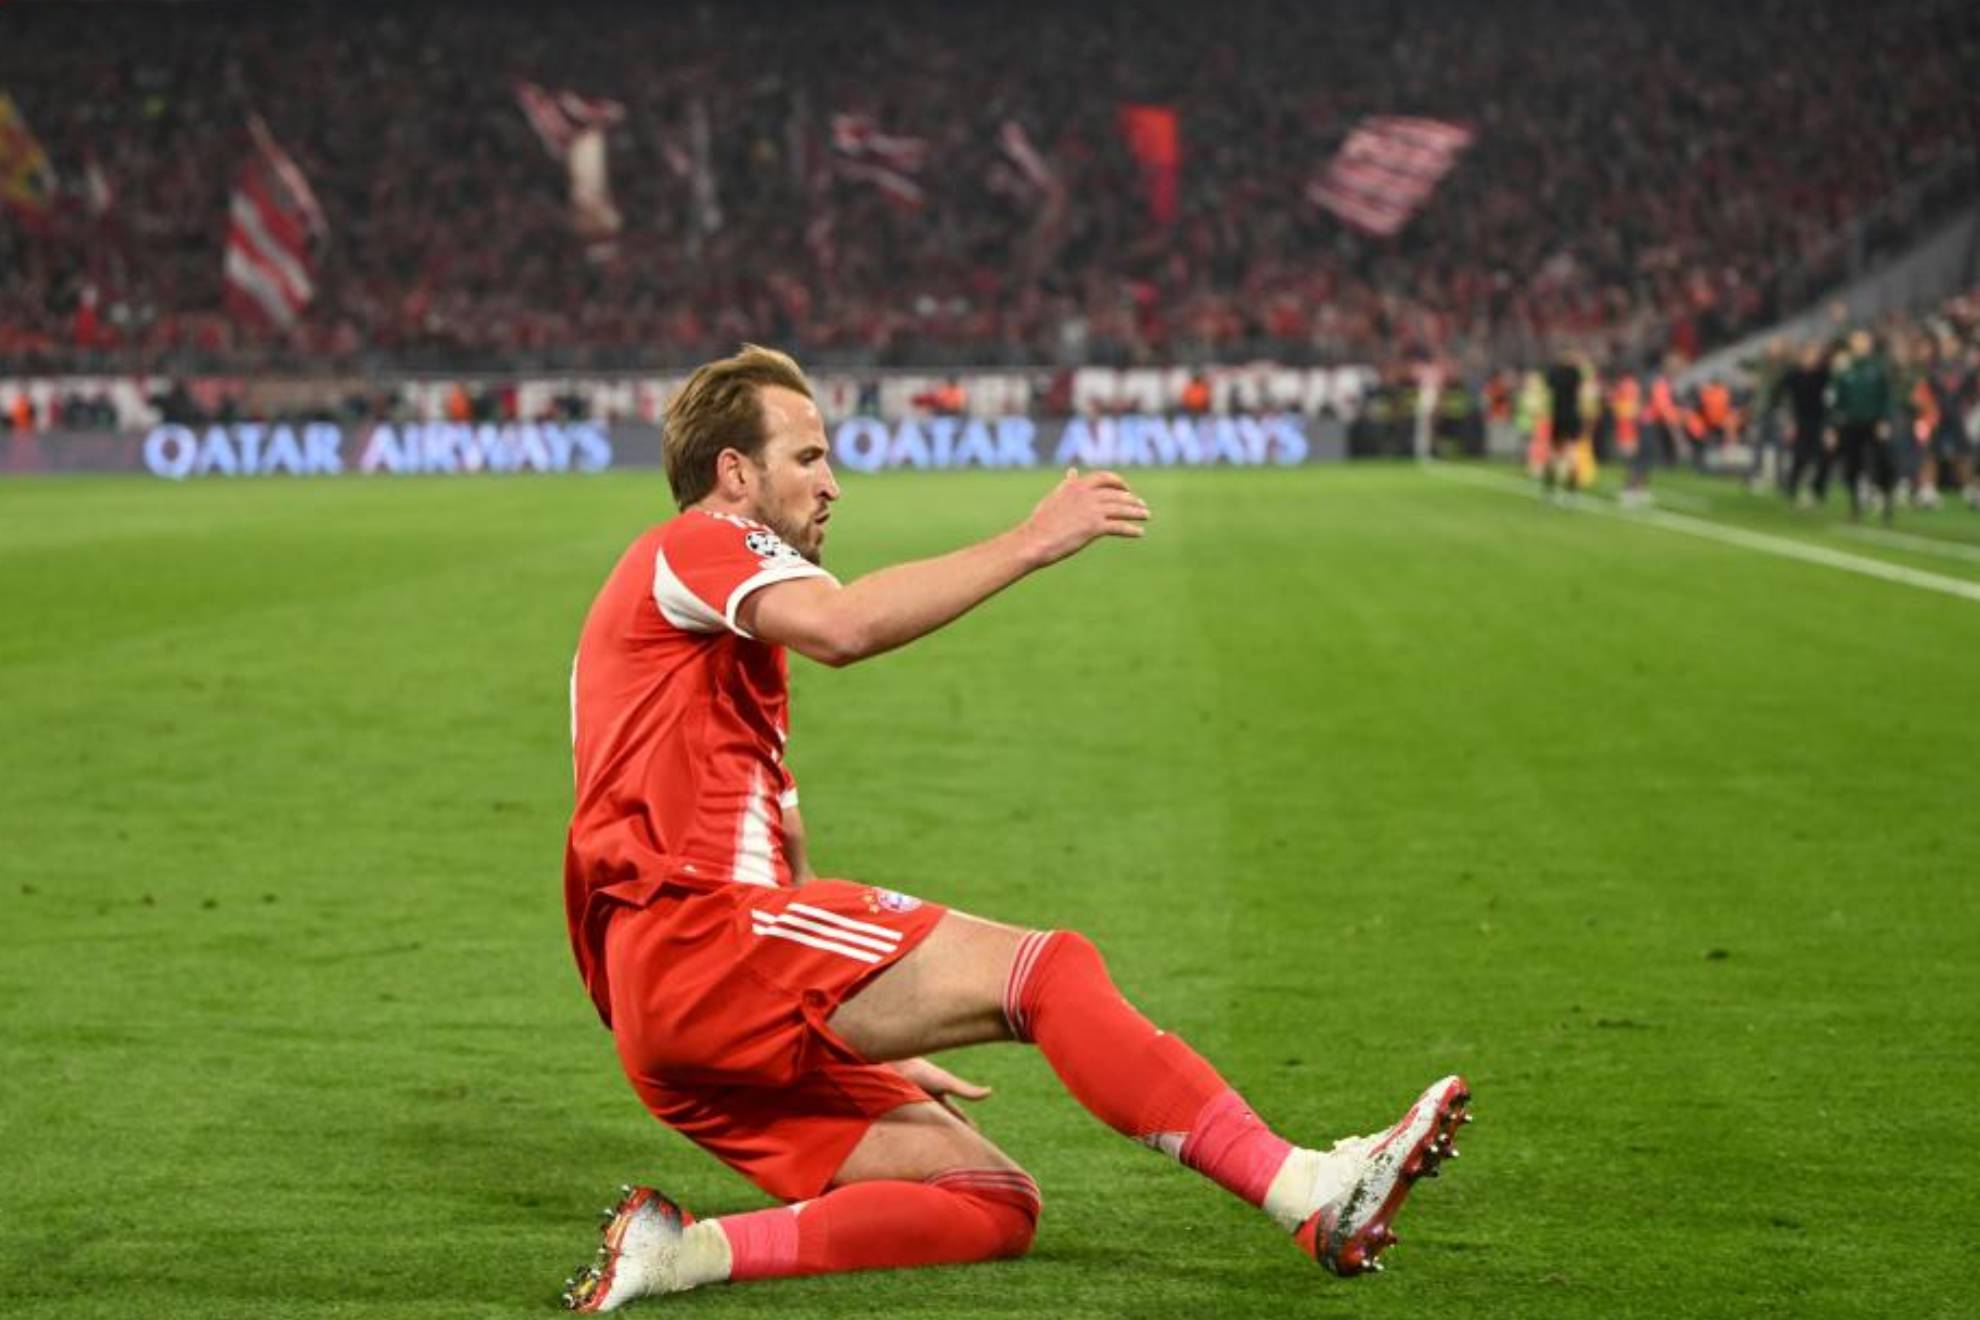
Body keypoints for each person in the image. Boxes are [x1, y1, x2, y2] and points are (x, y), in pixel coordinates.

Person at [558, 346, 1470, 1312]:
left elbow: (785, 844)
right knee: (1049, 972)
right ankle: (1307, 1190)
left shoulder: (723, 652)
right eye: (808, 458)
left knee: (991, 1201)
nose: (834, 484)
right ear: (733, 474)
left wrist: (845, 1018)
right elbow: (848, 628)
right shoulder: (699, 541)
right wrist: (1033, 539)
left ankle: (681, 1253)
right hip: (698, 941)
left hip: (681, 1002)